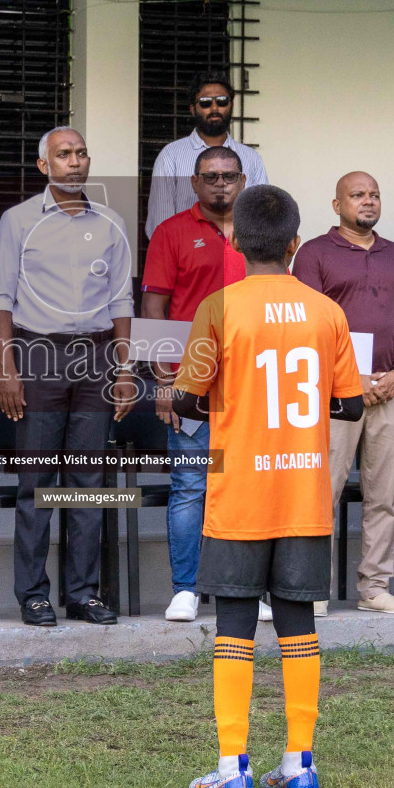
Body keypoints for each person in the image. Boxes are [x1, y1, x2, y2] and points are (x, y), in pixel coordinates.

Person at [170, 184, 365, 788]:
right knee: (297, 623)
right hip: (303, 491)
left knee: (232, 623)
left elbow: (184, 398)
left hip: (240, 495)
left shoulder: (218, 308)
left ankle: (233, 770)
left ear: (233, 240)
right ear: (295, 245)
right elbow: (353, 403)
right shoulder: (327, 311)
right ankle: (300, 763)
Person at [0, 126, 135, 627]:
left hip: (95, 359)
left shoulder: (112, 223)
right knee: (37, 482)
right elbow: (1, 297)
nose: (75, 162)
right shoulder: (18, 220)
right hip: (38, 355)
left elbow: (121, 301)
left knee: (87, 481)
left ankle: (82, 593)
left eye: (81, 153)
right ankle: (32, 593)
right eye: (63, 155)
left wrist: (123, 368)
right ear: (43, 166)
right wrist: (7, 370)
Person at [293, 171, 394, 616]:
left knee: (383, 495)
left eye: (374, 195)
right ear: (337, 205)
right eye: (358, 195)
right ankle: (314, 592)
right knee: (321, 492)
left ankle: (374, 590)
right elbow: (306, 327)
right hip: (333, 393)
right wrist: (351, 378)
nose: (368, 201)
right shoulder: (314, 254)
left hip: (390, 389)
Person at [141, 144, 247, 622]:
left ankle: (251, 587)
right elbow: (154, 309)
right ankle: (186, 589)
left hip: (252, 378)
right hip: (192, 380)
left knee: (252, 482)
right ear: (194, 183)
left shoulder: (259, 232)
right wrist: (165, 380)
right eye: (211, 176)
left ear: (242, 180)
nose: (220, 183)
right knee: (190, 485)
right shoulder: (171, 232)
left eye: (228, 175)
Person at [144, 72, 269, 239]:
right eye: (205, 103)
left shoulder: (251, 158)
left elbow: (262, 218)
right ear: (192, 109)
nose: (214, 108)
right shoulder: (171, 156)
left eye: (222, 101)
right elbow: (159, 224)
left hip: (238, 258)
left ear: (231, 105)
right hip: (187, 259)